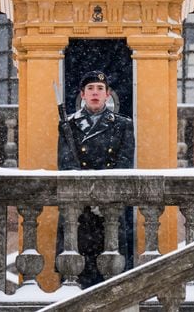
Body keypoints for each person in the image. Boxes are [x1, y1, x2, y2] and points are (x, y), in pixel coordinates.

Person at [56, 70, 135, 287]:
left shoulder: (123, 125)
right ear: (82, 94)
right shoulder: (68, 126)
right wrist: (87, 198)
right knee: (77, 271)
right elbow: (67, 165)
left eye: (100, 89)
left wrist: (104, 198)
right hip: (78, 209)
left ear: (107, 94)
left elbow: (123, 166)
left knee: (112, 271)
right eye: (90, 88)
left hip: (109, 208)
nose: (95, 93)